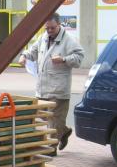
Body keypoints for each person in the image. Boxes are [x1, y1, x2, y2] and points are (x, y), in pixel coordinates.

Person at [18, 12, 84, 154]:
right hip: (42, 87)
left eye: (52, 28)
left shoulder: (69, 40)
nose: (49, 31)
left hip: (59, 89)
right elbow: (32, 51)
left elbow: (79, 58)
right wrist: (24, 56)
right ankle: (64, 131)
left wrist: (63, 59)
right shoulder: (43, 38)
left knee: (54, 120)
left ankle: (51, 149)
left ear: (59, 24)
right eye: (46, 28)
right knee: (43, 115)